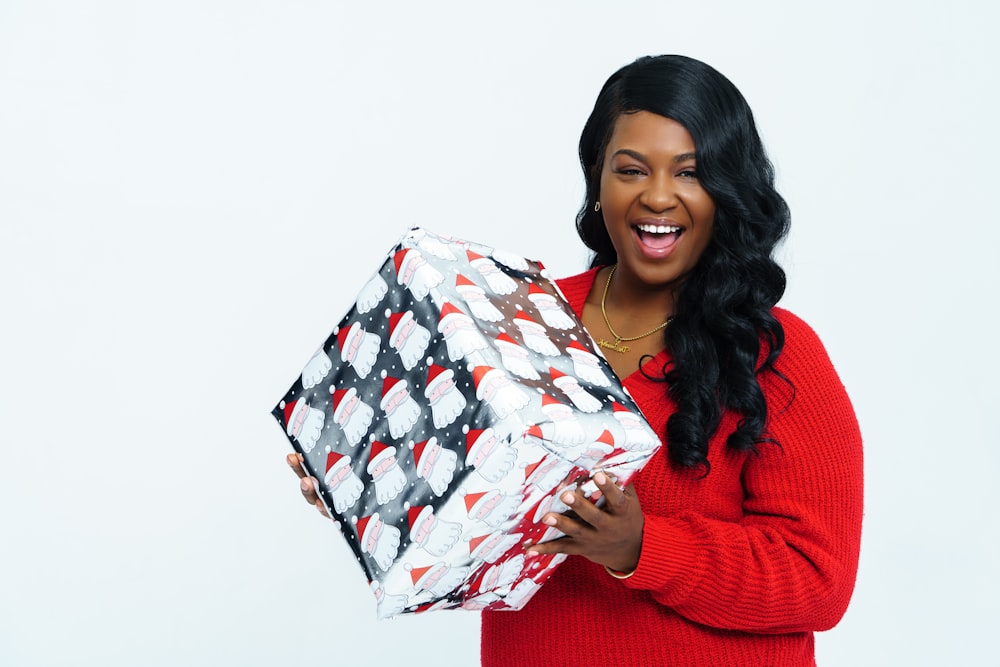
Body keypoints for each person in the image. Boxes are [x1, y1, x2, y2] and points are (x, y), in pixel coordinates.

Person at [288, 54, 863, 667]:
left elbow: (818, 582)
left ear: (726, 189)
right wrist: (368, 481)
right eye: (632, 169)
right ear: (598, 176)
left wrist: (643, 547)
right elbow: (463, 492)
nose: (659, 196)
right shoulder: (522, 313)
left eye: (690, 173)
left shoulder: (776, 353)